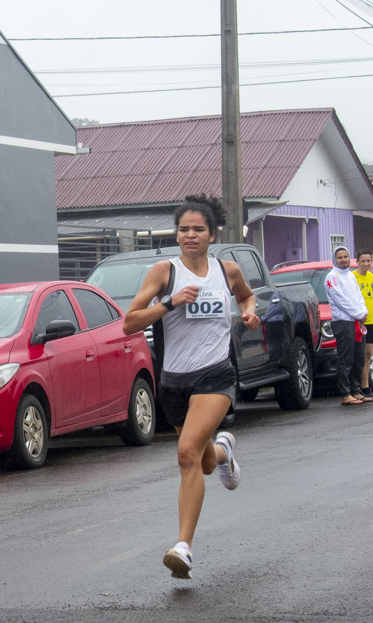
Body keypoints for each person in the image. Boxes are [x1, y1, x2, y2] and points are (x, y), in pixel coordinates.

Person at [122, 194, 260, 580]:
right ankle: (223, 451)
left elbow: (247, 297)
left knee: (185, 454)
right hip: (174, 381)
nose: (190, 235)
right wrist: (169, 302)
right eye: (184, 229)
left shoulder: (227, 270)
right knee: (201, 460)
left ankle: (183, 547)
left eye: (198, 229)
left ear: (212, 234)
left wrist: (249, 313)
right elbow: (130, 323)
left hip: (215, 375)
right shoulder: (163, 273)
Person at [324, 246, 369, 405]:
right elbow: (341, 301)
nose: (343, 260)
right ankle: (345, 393)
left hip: (357, 322)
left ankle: (355, 390)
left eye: (345, 257)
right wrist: (358, 314)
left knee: (358, 358)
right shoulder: (332, 277)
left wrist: (364, 312)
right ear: (334, 259)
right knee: (346, 359)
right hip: (343, 323)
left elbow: (358, 296)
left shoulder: (351, 275)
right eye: (340, 257)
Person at [353, 249, 373, 400]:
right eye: (363, 261)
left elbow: (371, 299)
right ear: (357, 261)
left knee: (368, 354)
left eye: (368, 261)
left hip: (371, 321)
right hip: (359, 321)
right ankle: (358, 387)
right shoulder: (353, 277)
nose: (366, 264)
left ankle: (366, 387)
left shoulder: (370, 276)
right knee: (359, 355)